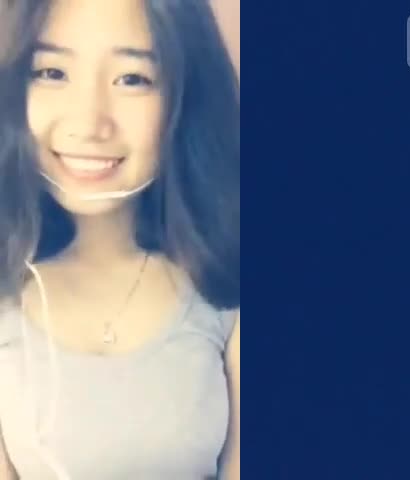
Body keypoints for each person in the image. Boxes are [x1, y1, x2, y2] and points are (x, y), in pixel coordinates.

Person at [0, 0, 240, 478]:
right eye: (51, 72)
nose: (90, 124)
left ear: (185, 98)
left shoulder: (229, 284)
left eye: (132, 79)